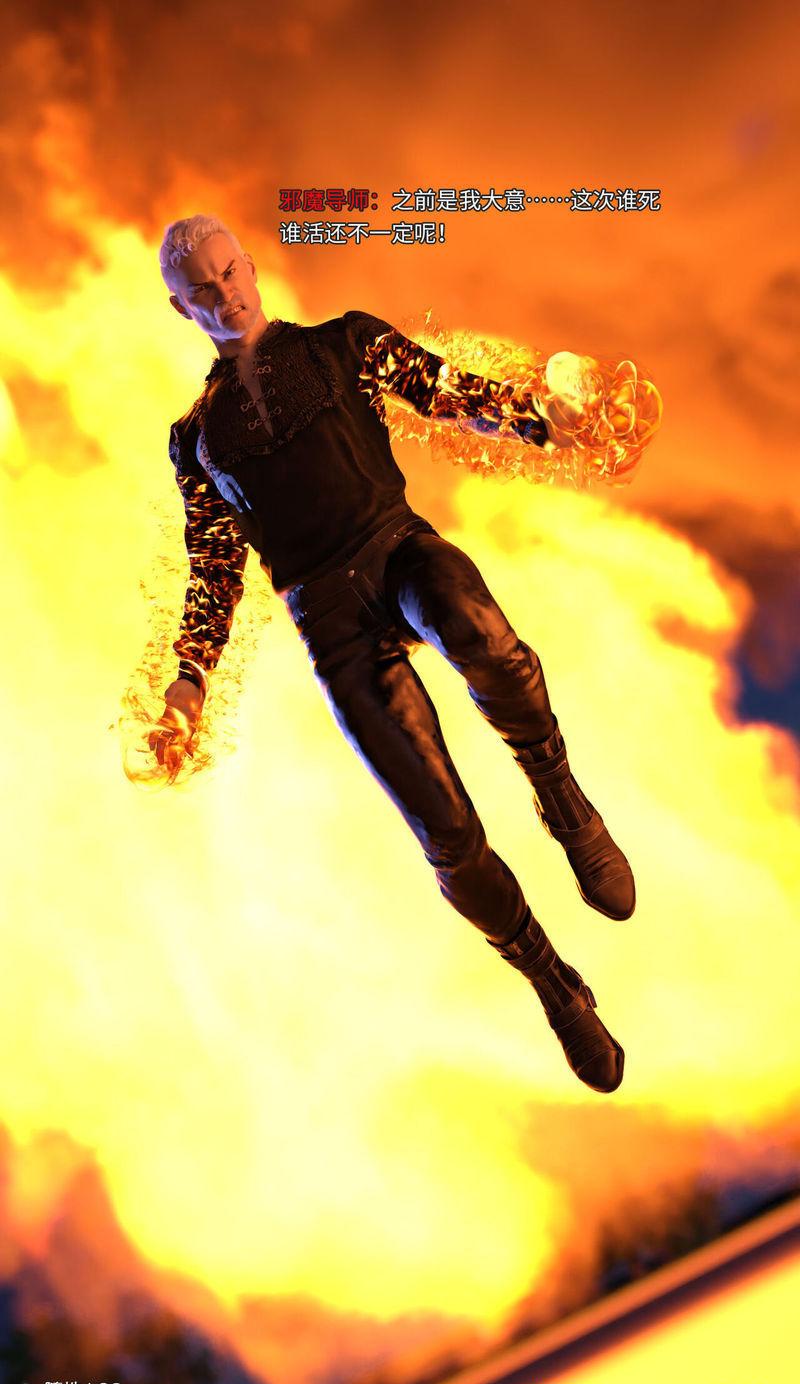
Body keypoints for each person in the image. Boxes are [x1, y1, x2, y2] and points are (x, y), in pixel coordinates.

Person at [152, 212, 638, 1094]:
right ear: (182, 309)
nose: (224, 296)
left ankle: (563, 800)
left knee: (481, 632)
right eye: (202, 291)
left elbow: (450, 394)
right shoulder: (197, 439)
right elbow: (214, 564)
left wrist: (543, 417)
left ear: (250, 266)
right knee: (446, 836)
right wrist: (190, 677)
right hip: (328, 622)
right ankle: (555, 985)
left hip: (398, 550)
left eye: (229, 273)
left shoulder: (345, 342)